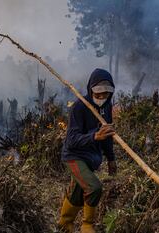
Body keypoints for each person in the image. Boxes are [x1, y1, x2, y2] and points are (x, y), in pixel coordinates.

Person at [58, 68, 117, 233]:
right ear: (90, 89)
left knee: (77, 192)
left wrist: (111, 159)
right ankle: (87, 225)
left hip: (91, 159)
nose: (101, 97)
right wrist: (94, 137)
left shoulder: (107, 107)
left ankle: (64, 225)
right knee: (94, 187)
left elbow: (107, 135)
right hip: (74, 156)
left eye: (105, 94)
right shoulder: (80, 107)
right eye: (98, 94)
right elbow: (71, 140)